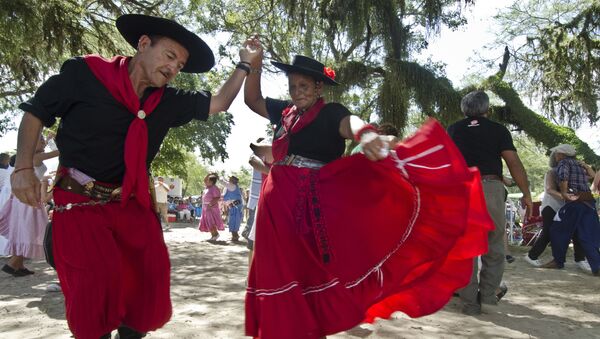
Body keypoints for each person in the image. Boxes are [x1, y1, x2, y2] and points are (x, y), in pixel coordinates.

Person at [10, 14, 260, 339]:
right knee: (93, 296)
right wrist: (23, 168)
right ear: (143, 44)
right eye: (170, 56)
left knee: (146, 283)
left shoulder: (167, 101)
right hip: (79, 204)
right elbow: (36, 111)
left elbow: (220, 102)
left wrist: (244, 64)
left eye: (180, 66)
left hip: (131, 205)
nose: (174, 69)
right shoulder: (86, 73)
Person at [243, 40, 493, 338]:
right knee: (280, 274)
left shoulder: (330, 112)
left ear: (319, 87)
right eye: (293, 86)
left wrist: (365, 133)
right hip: (275, 207)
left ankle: (320, 327)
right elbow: (252, 99)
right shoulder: (285, 114)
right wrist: (253, 64)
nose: (298, 91)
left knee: (308, 273)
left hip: (310, 210)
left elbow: (350, 122)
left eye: (304, 85)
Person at [448, 90, 533, 316]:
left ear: (464, 110)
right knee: (494, 243)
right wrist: (526, 193)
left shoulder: (453, 129)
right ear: (487, 109)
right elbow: (513, 162)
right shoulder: (498, 130)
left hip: (462, 189)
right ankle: (487, 298)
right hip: (490, 187)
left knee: (465, 247)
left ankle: (469, 302)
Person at [524, 145, 590, 271]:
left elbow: (589, 177)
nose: (557, 156)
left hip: (566, 207)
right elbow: (549, 190)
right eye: (556, 155)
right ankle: (532, 255)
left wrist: (584, 166)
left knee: (576, 231)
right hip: (551, 206)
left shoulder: (573, 170)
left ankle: (580, 259)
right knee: (548, 232)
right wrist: (566, 196)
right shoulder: (552, 172)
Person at [0, 134, 58, 276]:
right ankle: (13, 262)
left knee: (27, 229)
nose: (43, 142)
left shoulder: (31, 157)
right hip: (29, 199)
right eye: (41, 140)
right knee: (31, 230)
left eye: (44, 140)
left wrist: (49, 140)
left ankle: (17, 264)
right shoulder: (36, 156)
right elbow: (60, 151)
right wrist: (54, 140)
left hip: (27, 198)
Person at [540, 144, 600, 275]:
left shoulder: (563, 163)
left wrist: (564, 193)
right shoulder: (579, 165)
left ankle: (558, 261)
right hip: (588, 201)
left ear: (562, 154)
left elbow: (563, 178)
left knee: (557, 229)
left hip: (574, 200)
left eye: (556, 153)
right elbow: (593, 176)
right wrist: (586, 166)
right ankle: (597, 266)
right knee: (587, 234)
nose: (555, 156)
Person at [199, 173, 224, 241]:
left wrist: (210, 205)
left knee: (211, 221)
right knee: (207, 221)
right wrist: (209, 174)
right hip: (205, 207)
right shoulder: (208, 187)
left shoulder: (214, 188)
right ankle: (213, 235)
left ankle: (215, 234)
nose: (207, 181)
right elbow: (204, 180)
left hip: (211, 207)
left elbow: (217, 197)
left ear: (212, 182)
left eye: (208, 180)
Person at [221, 175, 244, 242]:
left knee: (233, 221)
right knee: (234, 220)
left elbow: (222, 182)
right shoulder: (234, 186)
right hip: (235, 205)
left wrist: (219, 177)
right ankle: (235, 235)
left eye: (230, 179)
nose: (229, 180)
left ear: (232, 181)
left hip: (235, 206)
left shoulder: (232, 186)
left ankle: (235, 236)